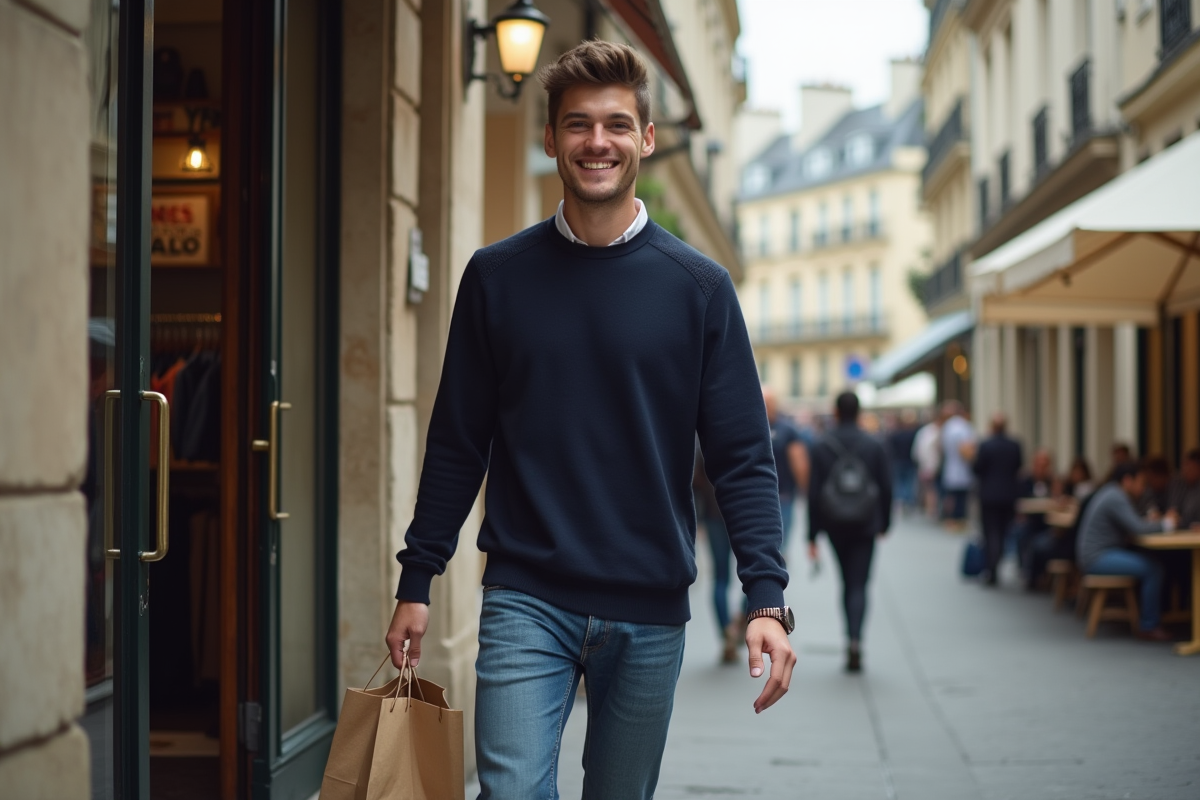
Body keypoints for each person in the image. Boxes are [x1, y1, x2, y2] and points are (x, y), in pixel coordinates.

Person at [384, 42, 795, 799]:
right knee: (509, 791)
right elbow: (457, 439)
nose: (596, 142)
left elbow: (742, 456)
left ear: (644, 138)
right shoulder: (495, 278)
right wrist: (420, 576)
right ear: (550, 138)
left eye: (615, 124)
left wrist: (765, 599)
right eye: (577, 125)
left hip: (648, 606)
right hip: (523, 595)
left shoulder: (700, 290)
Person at [807, 391, 892, 673]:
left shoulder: (822, 446)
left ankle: (849, 637)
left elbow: (814, 491)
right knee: (860, 584)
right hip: (866, 523)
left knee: (846, 581)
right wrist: (885, 523)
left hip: (834, 523)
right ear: (859, 411)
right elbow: (886, 486)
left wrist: (812, 533)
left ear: (835, 411)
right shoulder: (874, 444)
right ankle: (856, 640)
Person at [1076, 461, 1178, 642]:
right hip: (1097, 558)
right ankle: (1149, 626)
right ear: (1128, 480)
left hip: (1094, 554)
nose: (1143, 488)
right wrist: (1167, 523)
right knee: (1153, 569)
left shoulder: (1110, 492)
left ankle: (1151, 618)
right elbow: (1138, 528)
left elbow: (1133, 525)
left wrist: (1150, 522)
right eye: (1141, 482)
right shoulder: (1116, 497)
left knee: (1151, 562)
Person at [693, 447, 738, 664]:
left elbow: (696, 483)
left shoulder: (702, 446)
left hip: (713, 515)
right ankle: (735, 626)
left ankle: (727, 631)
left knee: (720, 578)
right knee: (753, 572)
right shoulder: (743, 435)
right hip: (740, 516)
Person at [971, 413, 1023, 585]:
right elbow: (1018, 466)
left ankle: (991, 569)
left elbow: (977, 468)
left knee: (990, 533)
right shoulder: (1014, 445)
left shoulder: (986, 445)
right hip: (1008, 495)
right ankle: (995, 565)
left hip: (989, 496)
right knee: (1002, 532)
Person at [763, 386, 809, 553]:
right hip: (761, 495)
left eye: (768, 402)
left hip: (783, 496)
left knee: (778, 546)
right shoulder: (749, 427)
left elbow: (799, 462)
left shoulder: (787, 430)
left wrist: (803, 488)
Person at [939, 400, 976, 529]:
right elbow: (965, 448)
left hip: (952, 467)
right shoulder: (962, 426)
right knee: (960, 497)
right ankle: (958, 520)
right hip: (961, 468)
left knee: (952, 496)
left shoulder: (947, 426)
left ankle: (952, 519)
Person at [887, 410, 919, 513]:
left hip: (898, 461)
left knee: (899, 483)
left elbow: (890, 449)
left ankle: (900, 502)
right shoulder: (913, 435)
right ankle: (908, 502)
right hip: (908, 461)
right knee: (908, 483)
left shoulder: (896, 434)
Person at [912, 412, 942, 518]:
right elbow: (921, 451)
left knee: (931, 489)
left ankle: (933, 509)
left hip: (930, 465)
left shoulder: (927, 432)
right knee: (931, 489)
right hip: (930, 465)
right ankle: (932, 510)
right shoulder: (930, 432)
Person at [1168, 449, 1200, 528]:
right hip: (1180, 532)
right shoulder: (1178, 484)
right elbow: (1173, 509)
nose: (1185, 470)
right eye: (1184, 465)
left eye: (1189, 466)